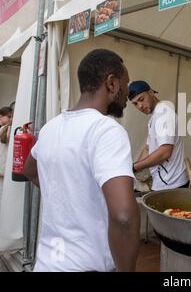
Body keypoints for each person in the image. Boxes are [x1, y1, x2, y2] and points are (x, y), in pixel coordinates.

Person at [23, 49, 140, 272]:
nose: (127, 93)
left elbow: (29, 169)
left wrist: (68, 195)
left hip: (47, 265)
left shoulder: (51, 127)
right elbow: (124, 217)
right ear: (112, 84)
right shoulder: (106, 130)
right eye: (126, 84)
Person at [128, 81, 189, 191]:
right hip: (163, 182)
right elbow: (147, 148)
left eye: (141, 99)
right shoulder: (155, 117)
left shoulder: (164, 115)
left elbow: (165, 152)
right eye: (135, 104)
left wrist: (135, 167)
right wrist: (134, 173)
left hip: (172, 184)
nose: (140, 106)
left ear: (151, 92)